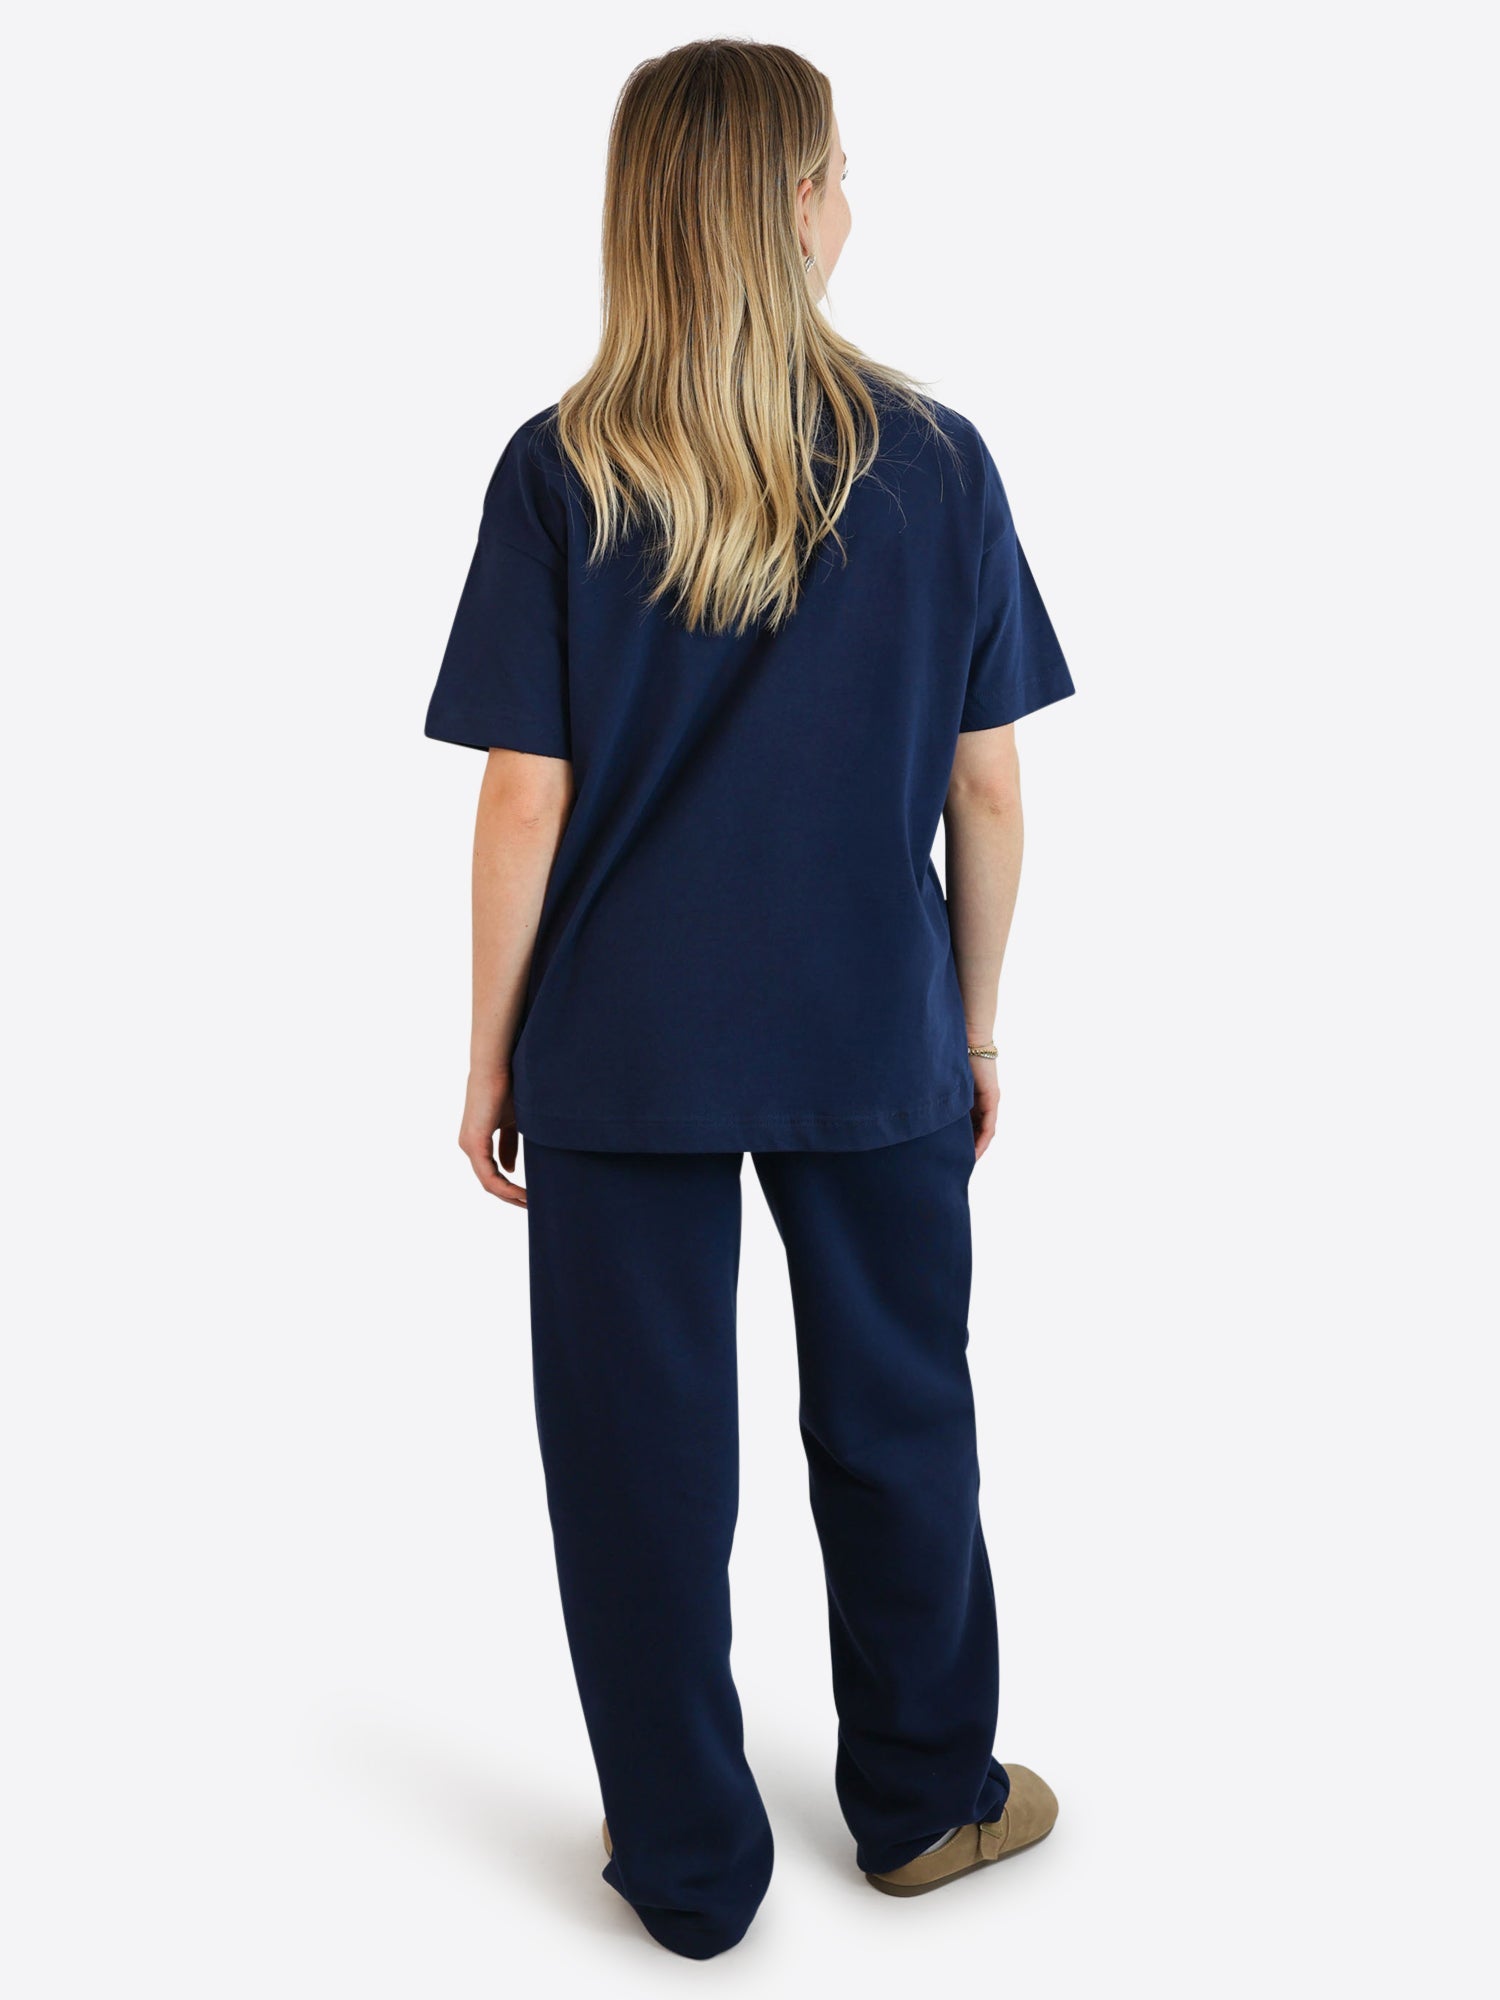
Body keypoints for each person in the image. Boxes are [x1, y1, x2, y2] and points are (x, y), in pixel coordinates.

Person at [424, 37, 1074, 1961]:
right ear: (793, 207)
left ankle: (690, 1869)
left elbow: (523, 797)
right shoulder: (939, 461)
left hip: (620, 1047)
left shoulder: (560, 468)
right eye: (840, 172)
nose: (852, 200)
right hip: (869, 1029)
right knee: (900, 1420)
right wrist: (971, 1026)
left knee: (636, 1460)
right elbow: (986, 790)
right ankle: (926, 1803)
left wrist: (489, 1054)